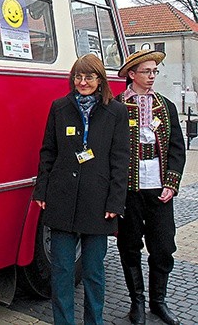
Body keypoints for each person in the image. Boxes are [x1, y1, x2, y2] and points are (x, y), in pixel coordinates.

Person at [32, 53, 130, 325]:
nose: (83, 82)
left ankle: (94, 321)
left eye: (89, 76)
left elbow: (121, 160)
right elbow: (48, 152)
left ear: (100, 80)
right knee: (62, 271)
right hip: (61, 199)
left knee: (93, 272)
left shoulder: (116, 112)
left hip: (98, 204)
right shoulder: (60, 107)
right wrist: (41, 191)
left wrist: (115, 202)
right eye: (78, 76)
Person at [115, 49, 186, 325]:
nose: (152, 76)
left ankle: (159, 301)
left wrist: (171, 182)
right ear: (132, 74)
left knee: (163, 247)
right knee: (129, 246)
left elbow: (177, 149)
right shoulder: (117, 106)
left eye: (155, 71)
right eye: (147, 71)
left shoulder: (166, 106)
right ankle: (137, 302)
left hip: (159, 189)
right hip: (130, 190)